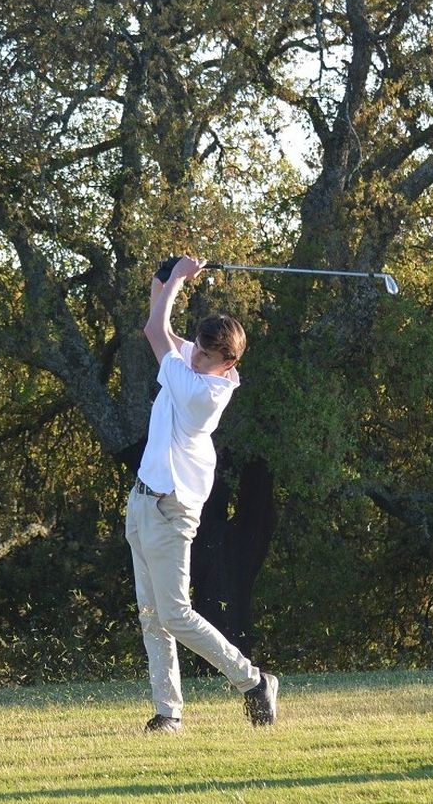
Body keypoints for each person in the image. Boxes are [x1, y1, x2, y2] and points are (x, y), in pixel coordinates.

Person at [126, 254, 278, 733]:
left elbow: (155, 333)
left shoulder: (201, 392)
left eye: (206, 356)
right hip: (143, 501)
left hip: (172, 510)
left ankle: (253, 681)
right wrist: (161, 279)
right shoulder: (192, 363)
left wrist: (176, 281)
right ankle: (168, 714)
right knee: (153, 616)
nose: (196, 356)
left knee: (175, 613)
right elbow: (163, 328)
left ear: (227, 363)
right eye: (197, 350)